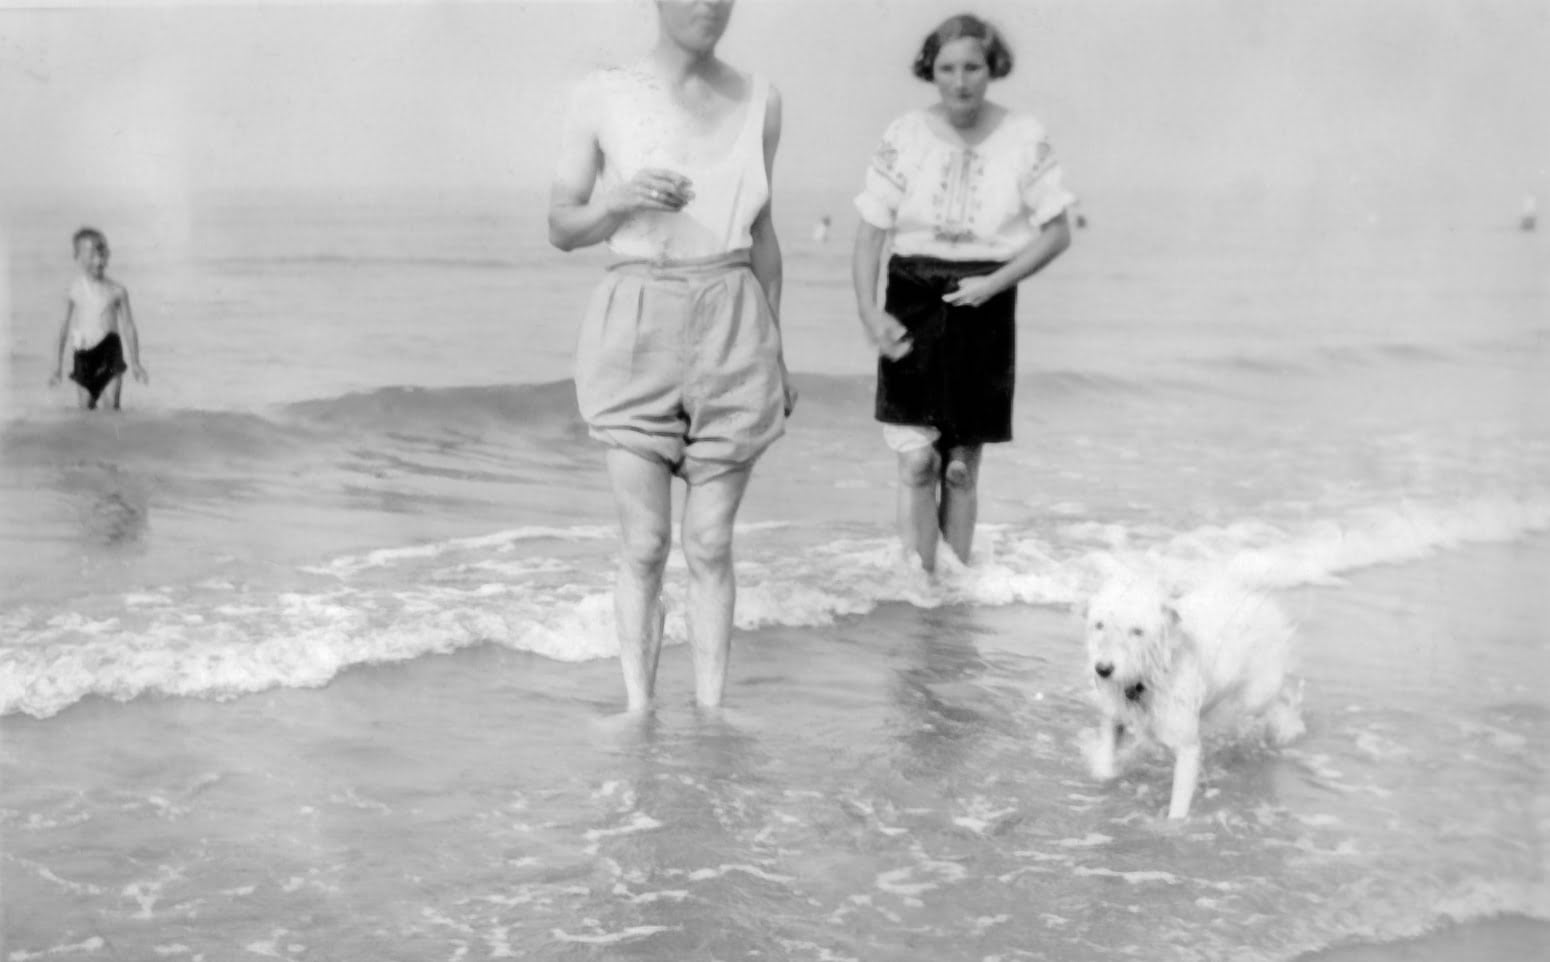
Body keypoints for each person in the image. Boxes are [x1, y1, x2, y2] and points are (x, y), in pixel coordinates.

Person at [547, 0, 792, 711]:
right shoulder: (600, 94)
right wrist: (619, 201)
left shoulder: (763, 100)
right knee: (647, 542)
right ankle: (639, 713)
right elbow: (561, 225)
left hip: (734, 317)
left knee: (711, 542)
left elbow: (765, 231)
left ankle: (713, 715)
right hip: (635, 319)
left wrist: (775, 352)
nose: (708, 4)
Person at [851, 13, 1074, 574]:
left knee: (960, 468)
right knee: (918, 463)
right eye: (947, 68)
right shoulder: (904, 134)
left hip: (985, 299)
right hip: (912, 297)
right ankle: (920, 587)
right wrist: (867, 310)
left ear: (992, 67)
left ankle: (954, 598)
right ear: (931, 70)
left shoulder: (1023, 136)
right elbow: (871, 233)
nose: (960, 81)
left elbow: (1057, 232)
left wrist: (994, 284)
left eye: (972, 66)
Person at [48, 227, 149, 411]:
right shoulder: (74, 290)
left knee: (111, 408)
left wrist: (136, 363)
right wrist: (57, 366)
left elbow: (128, 326)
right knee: (85, 411)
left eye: (101, 256)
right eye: (91, 256)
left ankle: (113, 438)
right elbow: (62, 329)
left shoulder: (117, 290)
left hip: (110, 352)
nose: (97, 261)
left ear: (106, 257)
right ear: (78, 257)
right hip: (83, 354)